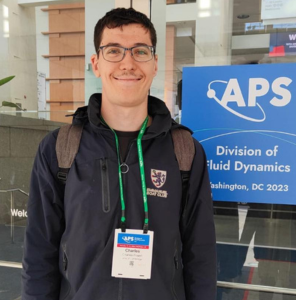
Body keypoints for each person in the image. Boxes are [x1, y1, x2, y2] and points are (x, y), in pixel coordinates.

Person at [21, 8, 216, 300]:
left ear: (154, 64)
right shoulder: (60, 148)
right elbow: (39, 249)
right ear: (96, 64)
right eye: (114, 51)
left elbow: (200, 253)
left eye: (140, 51)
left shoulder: (185, 151)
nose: (128, 63)